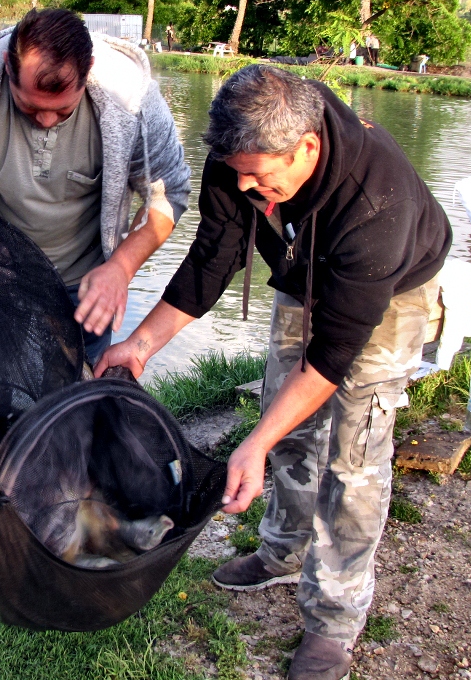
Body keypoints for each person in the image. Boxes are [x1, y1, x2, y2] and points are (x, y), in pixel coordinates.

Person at [96, 65, 451, 680]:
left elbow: (334, 356)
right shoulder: (240, 158)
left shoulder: (375, 202)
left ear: (306, 147)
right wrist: (141, 344)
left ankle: (333, 621)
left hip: (388, 296)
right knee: (281, 424)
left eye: (259, 175)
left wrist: (250, 447)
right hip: (299, 278)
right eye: (238, 173)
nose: (247, 186)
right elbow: (214, 259)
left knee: (354, 458)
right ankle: (281, 550)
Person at [0, 7, 190, 574]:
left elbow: (170, 198)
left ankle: (74, 519)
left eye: (61, 109)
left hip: (87, 282)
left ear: (88, 74)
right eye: (30, 108)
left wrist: (121, 266)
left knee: (78, 407)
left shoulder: (133, 102)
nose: (45, 121)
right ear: (7, 78)